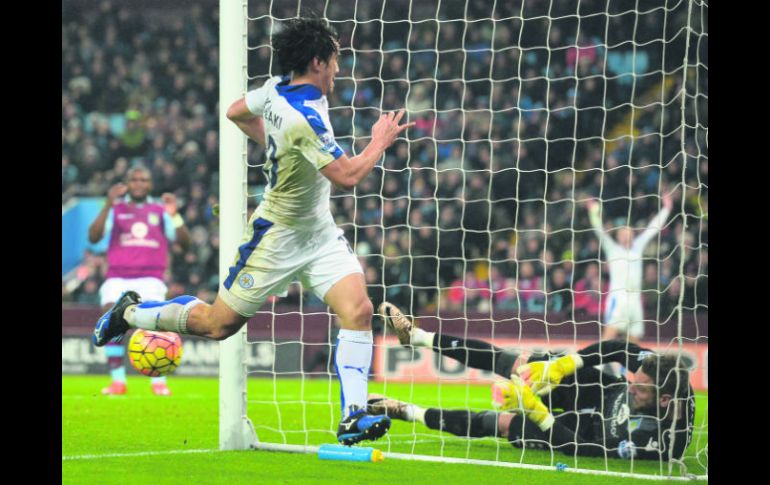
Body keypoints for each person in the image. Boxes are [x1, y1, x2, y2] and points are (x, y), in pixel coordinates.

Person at [92, 17, 414, 445]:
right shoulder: (304, 117)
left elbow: (235, 112)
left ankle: (353, 415)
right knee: (217, 325)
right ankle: (128, 313)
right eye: (335, 61)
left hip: (317, 232)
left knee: (358, 311)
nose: (339, 69)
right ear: (318, 62)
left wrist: (278, 145)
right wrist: (379, 140)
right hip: (275, 236)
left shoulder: (276, 88)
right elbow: (348, 176)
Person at [373, 302, 695, 461]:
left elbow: (579, 449)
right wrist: (568, 364)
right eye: (632, 380)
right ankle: (419, 336)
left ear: (664, 400)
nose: (632, 386)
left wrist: (538, 413)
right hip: (597, 390)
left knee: (503, 423)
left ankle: (406, 411)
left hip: (589, 432)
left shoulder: (657, 443)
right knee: (523, 365)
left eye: (637, 389)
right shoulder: (655, 365)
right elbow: (614, 349)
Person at [88, 165, 190, 395]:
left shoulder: (160, 209)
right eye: (134, 180)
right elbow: (93, 237)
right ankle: (118, 382)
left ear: (150, 184)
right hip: (118, 276)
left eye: (143, 180)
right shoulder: (116, 209)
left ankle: (159, 382)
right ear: (127, 183)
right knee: (110, 318)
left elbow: (186, 244)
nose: (138, 184)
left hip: (150, 278)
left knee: (157, 323)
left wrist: (175, 215)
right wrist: (107, 204)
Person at [587, 195, 673, 343]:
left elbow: (653, 228)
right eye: (623, 233)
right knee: (607, 339)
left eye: (629, 233)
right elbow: (599, 230)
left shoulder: (638, 247)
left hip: (635, 300)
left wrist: (666, 208)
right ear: (618, 237)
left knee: (634, 345)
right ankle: (598, 366)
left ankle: (628, 367)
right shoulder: (612, 248)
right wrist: (593, 212)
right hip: (618, 299)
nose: (627, 236)